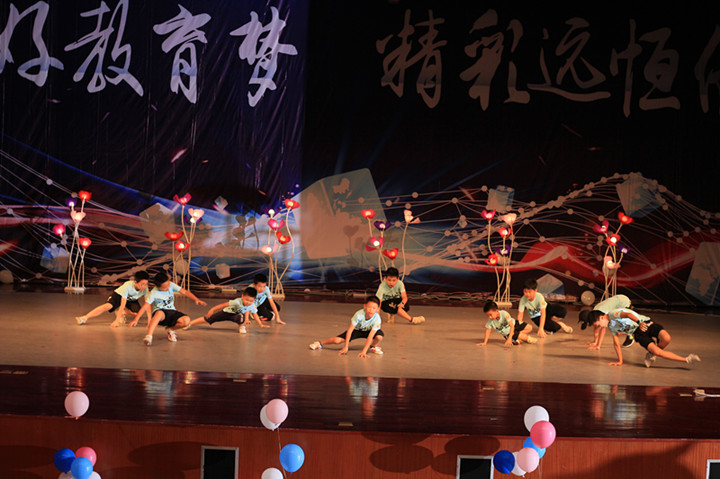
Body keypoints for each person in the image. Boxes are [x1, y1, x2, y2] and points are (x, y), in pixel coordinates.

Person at [578, 308, 701, 368]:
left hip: (645, 322)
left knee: (667, 338)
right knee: (659, 352)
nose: (599, 327)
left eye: (598, 325)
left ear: (600, 318)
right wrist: (620, 361)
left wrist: (640, 322)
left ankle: (651, 354)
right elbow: (616, 344)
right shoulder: (611, 326)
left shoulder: (612, 314)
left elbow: (627, 314)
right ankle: (687, 359)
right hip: (638, 334)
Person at [132, 272, 206, 346]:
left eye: (168, 285)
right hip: (161, 314)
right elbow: (145, 306)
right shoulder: (154, 293)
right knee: (159, 313)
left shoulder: (171, 285)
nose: (168, 288)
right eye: (164, 287)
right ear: (157, 287)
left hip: (172, 311)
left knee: (186, 320)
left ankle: (171, 330)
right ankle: (149, 336)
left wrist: (196, 299)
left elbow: (184, 292)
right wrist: (136, 319)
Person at [308, 296, 385, 357]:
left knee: (379, 337)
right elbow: (350, 330)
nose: (371, 310)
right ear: (364, 306)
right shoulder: (359, 314)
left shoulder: (377, 318)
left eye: (374, 308)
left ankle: (372, 347)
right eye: (369, 307)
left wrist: (364, 352)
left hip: (369, 331)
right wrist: (346, 346)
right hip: (356, 330)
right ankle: (320, 343)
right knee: (337, 341)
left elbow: (370, 336)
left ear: (378, 309)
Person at [75, 271, 150, 327]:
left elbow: (148, 304)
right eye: (142, 284)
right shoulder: (128, 286)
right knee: (108, 306)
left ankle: (122, 313)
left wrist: (150, 321)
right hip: (119, 295)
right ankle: (84, 318)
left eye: (146, 284)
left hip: (131, 299)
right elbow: (123, 303)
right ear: (135, 282)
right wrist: (117, 320)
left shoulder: (145, 289)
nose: (144, 286)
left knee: (138, 313)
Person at [185, 287, 269, 334]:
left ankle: (241, 326)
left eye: (251, 301)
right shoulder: (237, 302)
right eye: (246, 300)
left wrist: (260, 324)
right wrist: (212, 309)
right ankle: (189, 324)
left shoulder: (252, 306)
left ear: (254, 300)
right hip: (226, 312)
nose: (248, 302)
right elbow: (223, 305)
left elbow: (255, 314)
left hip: (236, 315)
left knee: (241, 316)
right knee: (208, 319)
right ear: (242, 296)